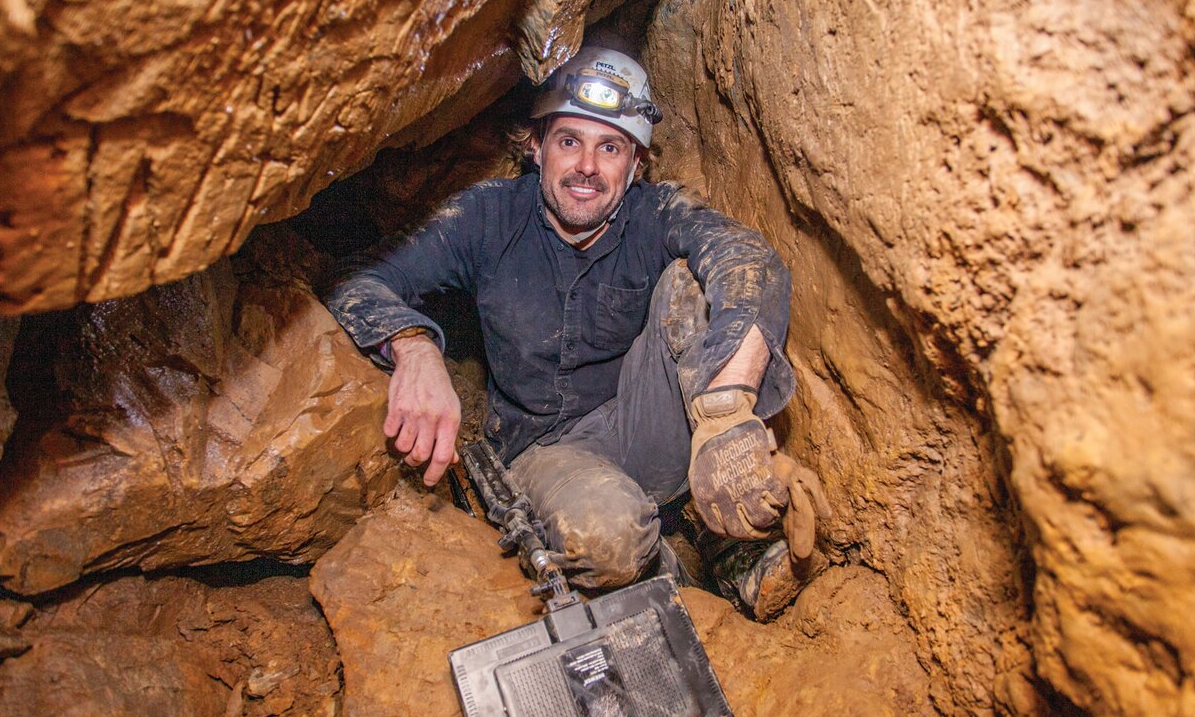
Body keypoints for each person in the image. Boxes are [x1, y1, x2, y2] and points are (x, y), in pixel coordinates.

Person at [325, 47, 829, 619]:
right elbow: (358, 279)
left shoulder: (656, 212)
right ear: (536, 146)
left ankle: (733, 533)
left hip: (644, 417)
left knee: (694, 283)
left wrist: (729, 409)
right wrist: (415, 348)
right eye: (569, 141)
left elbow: (746, 258)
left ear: (635, 165)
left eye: (609, 147)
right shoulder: (486, 218)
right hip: (546, 448)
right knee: (607, 541)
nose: (587, 165)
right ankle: (679, 558)